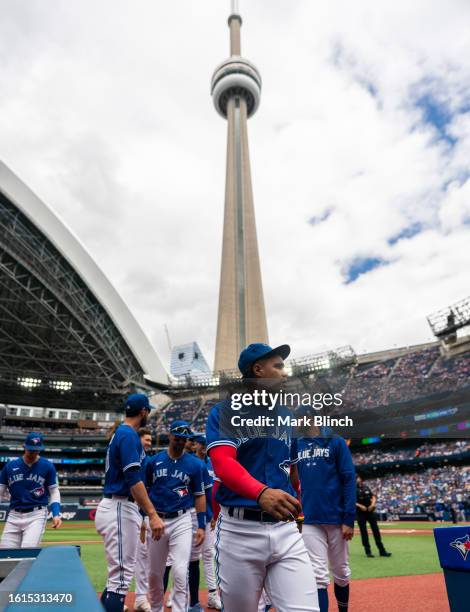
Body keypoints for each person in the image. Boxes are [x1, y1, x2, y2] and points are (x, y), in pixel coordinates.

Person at [206, 342, 319, 612]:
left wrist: (298, 510)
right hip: (239, 531)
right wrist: (261, 492)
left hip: (285, 530)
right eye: (278, 366)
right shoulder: (224, 412)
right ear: (258, 370)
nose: (284, 372)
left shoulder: (286, 416)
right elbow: (223, 464)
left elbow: (292, 472)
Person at [95, 393, 164, 612]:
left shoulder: (123, 433)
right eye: (148, 411)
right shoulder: (128, 435)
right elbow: (133, 479)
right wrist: (152, 514)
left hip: (120, 506)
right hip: (120, 506)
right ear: (143, 411)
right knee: (121, 579)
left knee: (117, 578)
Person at [292, 415, 355, 612]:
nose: (295, 422)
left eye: (298, 417)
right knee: (317, 575)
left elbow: (349, 479)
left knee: (341, 572)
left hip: (336, 518)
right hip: (310, 518)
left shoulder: (336, 441)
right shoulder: (296, 444)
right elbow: (292, 478)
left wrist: (349, 518)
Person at [145, 420, 206, 612]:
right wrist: (143, 518)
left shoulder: (195, 465)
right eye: (178, 437)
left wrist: (202, 525)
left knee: (180, 572)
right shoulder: (153, 462)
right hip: (157, 520)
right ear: (170, 436)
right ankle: (156, 608)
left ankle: (180, 609)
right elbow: (144, 492)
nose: (180, 441)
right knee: (155, 574)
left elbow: (200, 496)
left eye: (184, 439)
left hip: (182, 519)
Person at [0, 432, 62, 547]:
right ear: (24, 447)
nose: (34, 453)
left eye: (36, 450)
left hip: (36, 514)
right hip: (14, 514)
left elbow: (54, 491)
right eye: (31, 449)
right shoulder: (10, 466)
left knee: (27, 550)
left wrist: (56, 513)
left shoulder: (47, 466)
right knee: (5, 553)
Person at [188, 433, 222, 611]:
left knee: (209, 555)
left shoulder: (212, 463)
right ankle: (185, 596)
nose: (203, 447)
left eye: (205, 444)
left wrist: (214, 515)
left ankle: (211, 595)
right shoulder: (191, 462)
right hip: (190, 515)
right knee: (187, 558)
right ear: (194, 445)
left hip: (208, 516)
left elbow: (214, 493)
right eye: (200, 444)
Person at [132, 428, 154, 612]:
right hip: (131, 512)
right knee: (123, 558)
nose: (149, 443)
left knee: (143, 559)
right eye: (146, 439)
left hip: (144, 515)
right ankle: (113, 597)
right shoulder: (131, 458)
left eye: (150, 441)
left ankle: (140, 597)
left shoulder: (147, 462)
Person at [356, 474, 391, 558]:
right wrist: (361, 506)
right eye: (356, 479)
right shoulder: (352, 489)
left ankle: (382, 551)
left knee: (376, 531)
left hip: (370, 511)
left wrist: (372, 504)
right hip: (360, 513)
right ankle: (368, 551)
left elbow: (373, 497)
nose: (357, 480)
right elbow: (351, 500)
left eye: (358, 478)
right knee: (364, 532)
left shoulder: (366, 487)